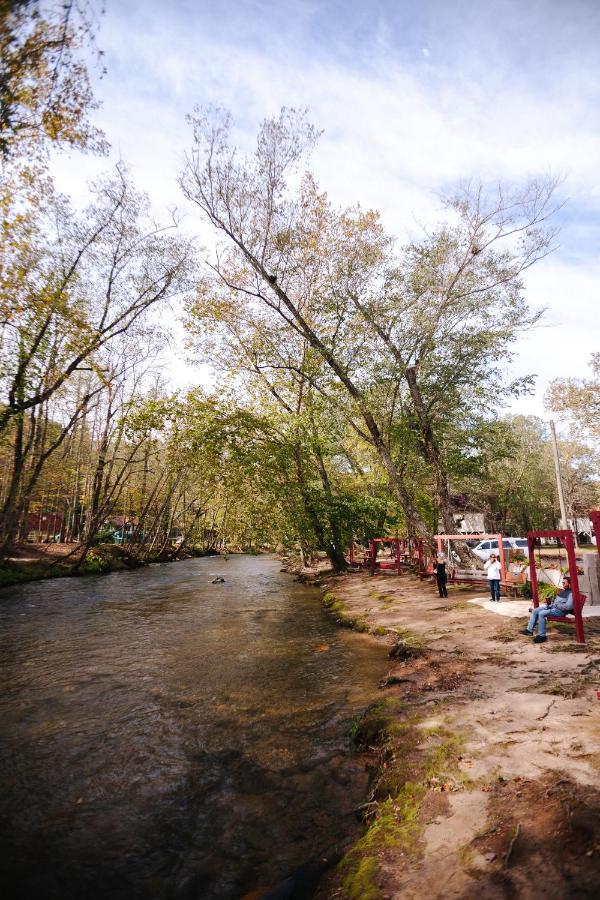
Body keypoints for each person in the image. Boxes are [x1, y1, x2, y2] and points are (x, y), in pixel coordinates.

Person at [520, 575, 574, 644]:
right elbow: (555, 603)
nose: (562, 584)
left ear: (569, 584)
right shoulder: (563, 591)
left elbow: (568, 606)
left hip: (560, 612)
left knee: (542, 613)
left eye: (564, 583)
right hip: (554, 608)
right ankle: (529, 630)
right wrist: (550, 605)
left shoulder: (571, 594)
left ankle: (542, 636)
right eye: (562, 583)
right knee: (535, 610)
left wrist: (556, 605)